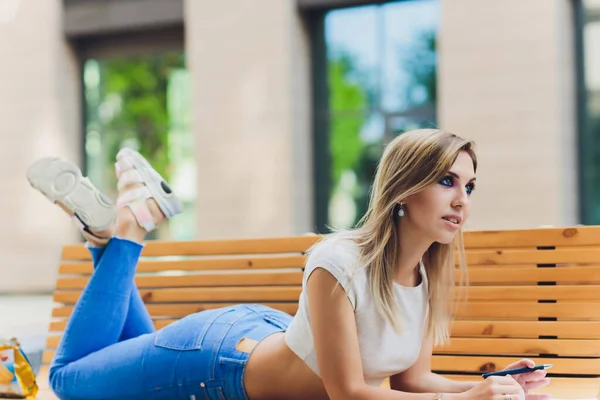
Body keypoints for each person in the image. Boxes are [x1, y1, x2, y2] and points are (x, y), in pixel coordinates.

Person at [26, 130, 550, 400]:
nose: (463, 199)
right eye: (447, 181)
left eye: (470, 186)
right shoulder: (338, 261)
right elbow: (347, 394)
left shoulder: (423, 275)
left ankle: (104, 234)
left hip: (261, 336)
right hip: (214, 362)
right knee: (68, 382)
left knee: (120, 367)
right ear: (403, 191)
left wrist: (494, 384)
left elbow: (411, 382)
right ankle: (128, 230)